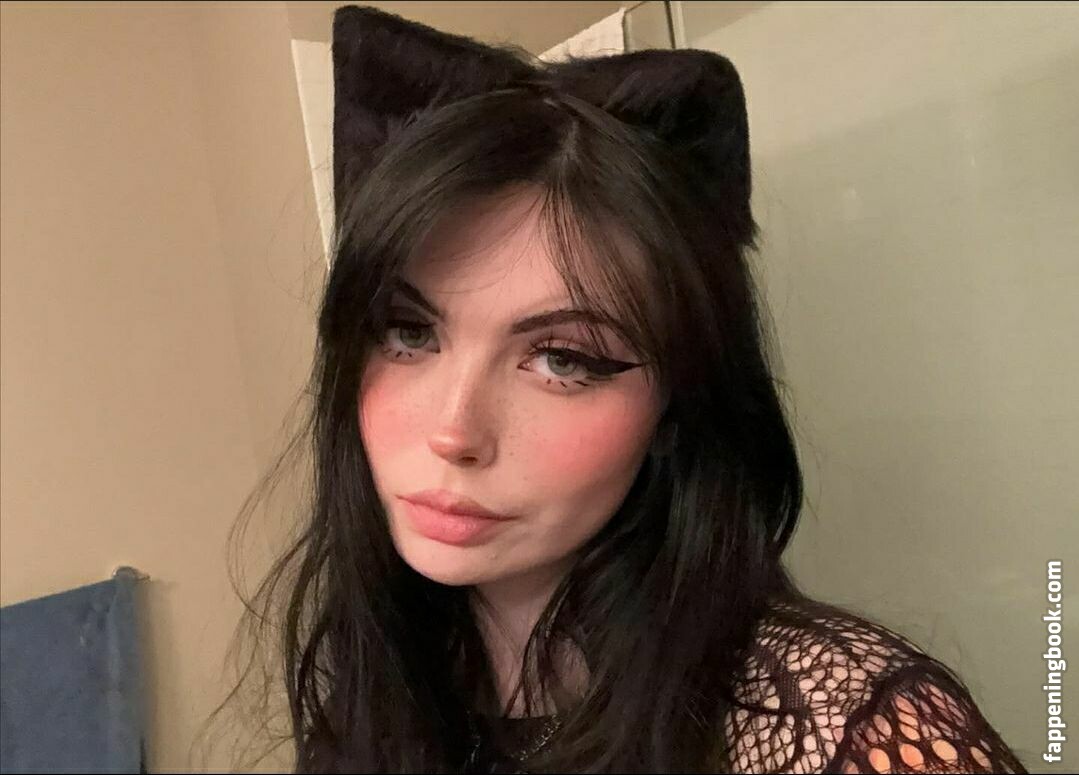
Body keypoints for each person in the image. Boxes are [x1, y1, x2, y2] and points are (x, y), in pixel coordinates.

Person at [216, 5, 1030, 773]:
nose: (454, 430)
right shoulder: (380, 679)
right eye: (407, 332)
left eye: (562, 358)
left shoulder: (848, 733)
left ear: (678, 400)